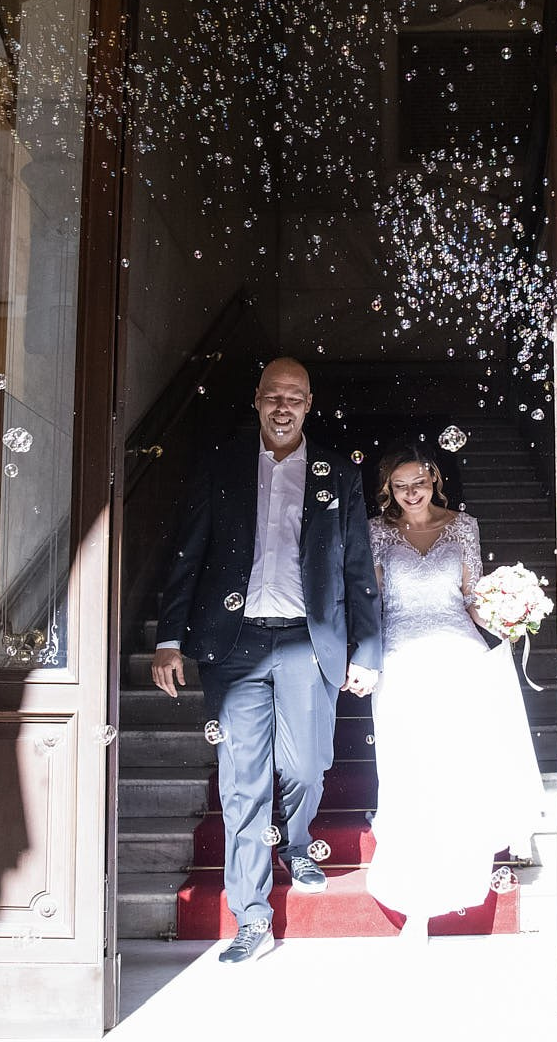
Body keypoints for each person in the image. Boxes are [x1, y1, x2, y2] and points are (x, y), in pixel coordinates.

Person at [151, 358, 383, 965]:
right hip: (234, 646)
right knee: (243, 782)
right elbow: (188, 551)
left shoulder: (337, 474)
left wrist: (369, 648)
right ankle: (251, 915)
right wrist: (168, 637)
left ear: (310, 404)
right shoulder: (222, 461)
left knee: (306, 767)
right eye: (274, 396)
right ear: (256, 400)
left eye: (296, 398)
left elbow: (358, 568)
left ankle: (299, 839)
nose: (284, 407)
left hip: (309, 641)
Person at [364, 447, 545, 942]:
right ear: (388, 490)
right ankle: (414, 894)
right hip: (401, 657)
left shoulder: (464, 525)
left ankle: (457, 870)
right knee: (409, 771)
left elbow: (470, 596)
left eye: (418, 482)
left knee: (458, 766)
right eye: (399, 486)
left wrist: (509, 614)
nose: (410, 493)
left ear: (434, 478)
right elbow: (374, 602)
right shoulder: (377, 531)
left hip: (456, 654)